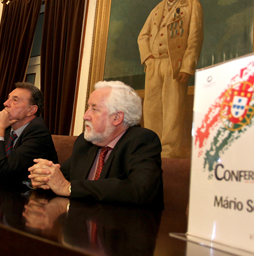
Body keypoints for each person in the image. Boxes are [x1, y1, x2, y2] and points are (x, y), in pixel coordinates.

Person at [28, 81, 163, 206]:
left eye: (94, 109)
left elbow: (140, 189)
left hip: (122, 227)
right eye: (88, 107)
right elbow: (61, 179)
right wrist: (44, 178)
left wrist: (69, 188)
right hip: (80, 223)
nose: (85, 115)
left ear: (116, 117)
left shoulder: (142, 140)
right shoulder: (84, 142)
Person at [137, 0, 203, 158]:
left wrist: (187, 66)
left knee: (173, 108)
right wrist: (148, 58)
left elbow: (195, 38)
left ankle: (168, 153)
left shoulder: (192, 5)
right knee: (152, 108)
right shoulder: (157, 9)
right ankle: (151, 149)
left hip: (175, 63)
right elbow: (143, 36)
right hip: (154, 64)